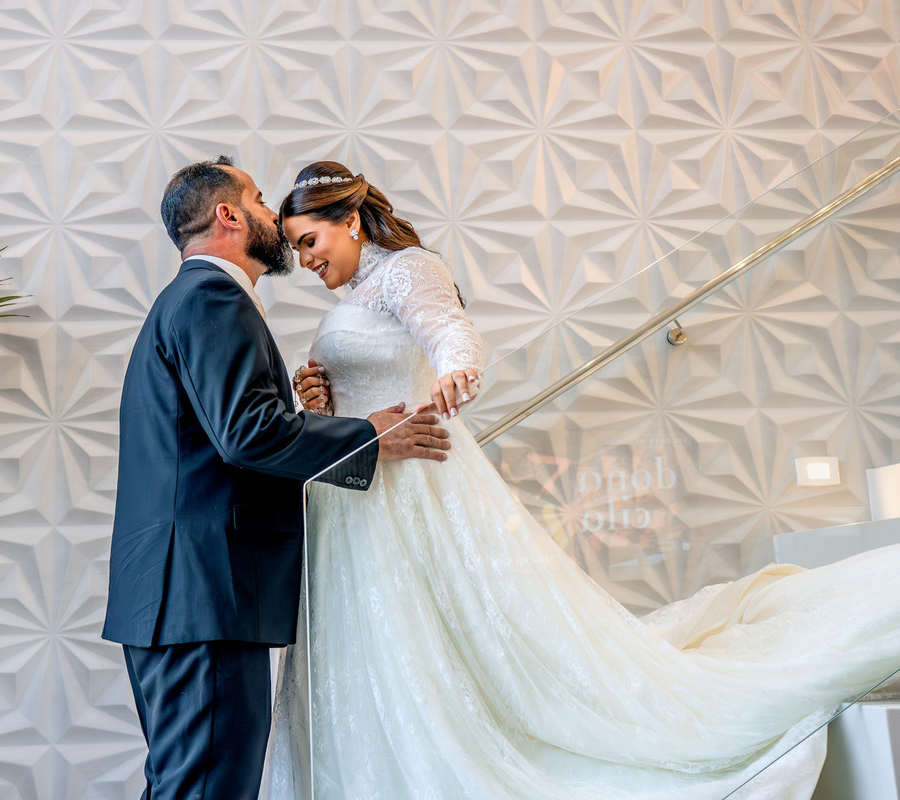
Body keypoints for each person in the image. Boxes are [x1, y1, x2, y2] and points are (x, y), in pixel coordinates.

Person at [262, 160, 900, 799]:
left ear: (350, 220)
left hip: (414, 482)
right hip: (357, 494)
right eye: (296, 249)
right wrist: (321, 399)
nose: (306, 260)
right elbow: (365, 384)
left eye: (310, 241)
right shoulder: (352, 300)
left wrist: (456, 370)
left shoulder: (409, 270)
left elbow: (451, 332)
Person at [102, 156, 453, 800]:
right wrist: (369, 436)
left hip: (181, 597)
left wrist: (311, 413)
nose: (274, 214)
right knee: (206, 788)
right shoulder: (212, 297)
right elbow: (247, 434)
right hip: (203, 597)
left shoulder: (189, 300)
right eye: (261, 200)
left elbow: (227, 431)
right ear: (229, 215)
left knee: (187, 784)